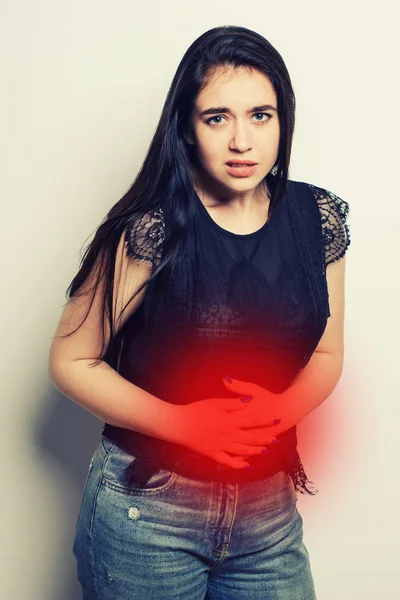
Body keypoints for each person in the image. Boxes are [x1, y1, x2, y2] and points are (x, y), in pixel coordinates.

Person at [49, 25, 351, 600]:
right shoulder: (150, 229)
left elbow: (329, 353)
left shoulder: (319, 219)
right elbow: (71, 359)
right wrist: (186, 425)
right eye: (217, 118)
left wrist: (281, 411)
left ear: (283, 120)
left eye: (260, 115)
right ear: (187, 127)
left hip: (268, 513)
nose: (242, 141)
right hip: (151, 511)